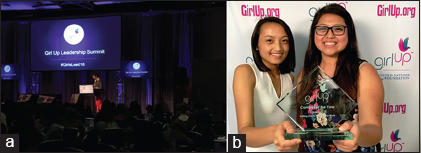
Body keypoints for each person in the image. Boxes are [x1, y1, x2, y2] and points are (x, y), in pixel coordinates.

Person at [295, 4, 384, 152]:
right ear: (314, 33)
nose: (329, 35)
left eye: (338, 29)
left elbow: (375, 131)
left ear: (349, 33)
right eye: (322, 28)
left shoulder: (363, 72)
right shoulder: (305, 74)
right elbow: (302, 126)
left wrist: (359, 135)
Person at [233, 16, 301, 152]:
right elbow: (242, 134)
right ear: (256, 45)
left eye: (284, 41)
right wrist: (276, 132)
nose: (278, 47)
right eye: (269, 40)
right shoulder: (245, 71)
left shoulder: (290, 78)